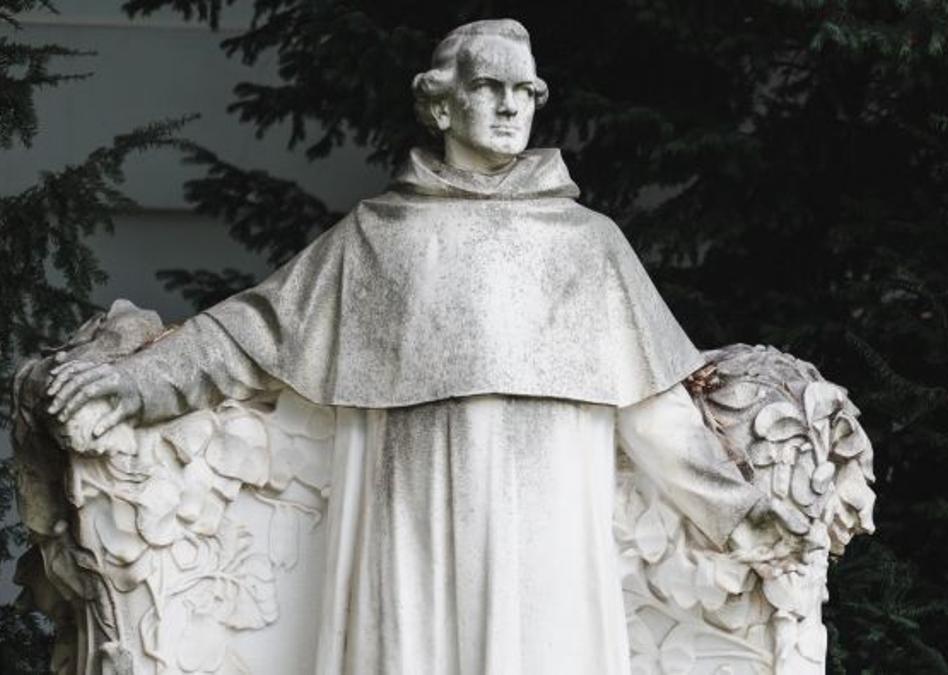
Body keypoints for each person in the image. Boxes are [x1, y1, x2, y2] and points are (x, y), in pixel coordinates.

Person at [47, 19, 763, 675]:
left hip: (544, 537)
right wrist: (140, 381)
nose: (511, 107)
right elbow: (253, 331)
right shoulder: (377, 235)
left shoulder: (589, 246)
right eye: (490, 87)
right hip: (411, 526)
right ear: (443, 106)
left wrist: (737, 508)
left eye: (525, 91)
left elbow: (652, 403)